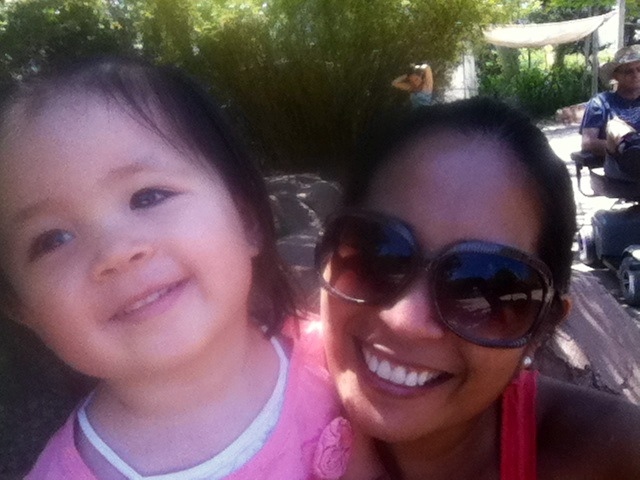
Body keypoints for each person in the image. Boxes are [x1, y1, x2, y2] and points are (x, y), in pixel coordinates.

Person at [0, 56, 341, 479]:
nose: (115, 252)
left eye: (148, 197)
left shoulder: (341, 359)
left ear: (246, 220)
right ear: (23, 309)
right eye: (53, 239)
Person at [315, 97, 640, 479]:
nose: (405, 321)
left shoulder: (610, 456)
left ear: (540, 329)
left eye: (483, 287)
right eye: (376, 253)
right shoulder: (260, 409)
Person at [580, 45, 640, 180]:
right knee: (616, 125)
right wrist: (615, 146)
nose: (636, 75)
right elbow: (587, 143)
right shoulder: (601, 103)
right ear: (616, 76)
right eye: (629, 71)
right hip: (619, 164)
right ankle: (630, 146)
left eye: (639, 69)